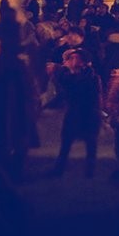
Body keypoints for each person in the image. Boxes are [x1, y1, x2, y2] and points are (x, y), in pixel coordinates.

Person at [50, 47, 103, 177]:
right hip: (73, 113)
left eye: (75, 58)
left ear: (84, 62)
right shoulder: (67, 75)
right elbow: (61, 88)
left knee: (91, 143)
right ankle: (59, 169)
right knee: (66, 142)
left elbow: (76, 88)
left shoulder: (91, 77)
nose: (72, 61)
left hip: (89, 113)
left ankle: (90, 171)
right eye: (70, 58)